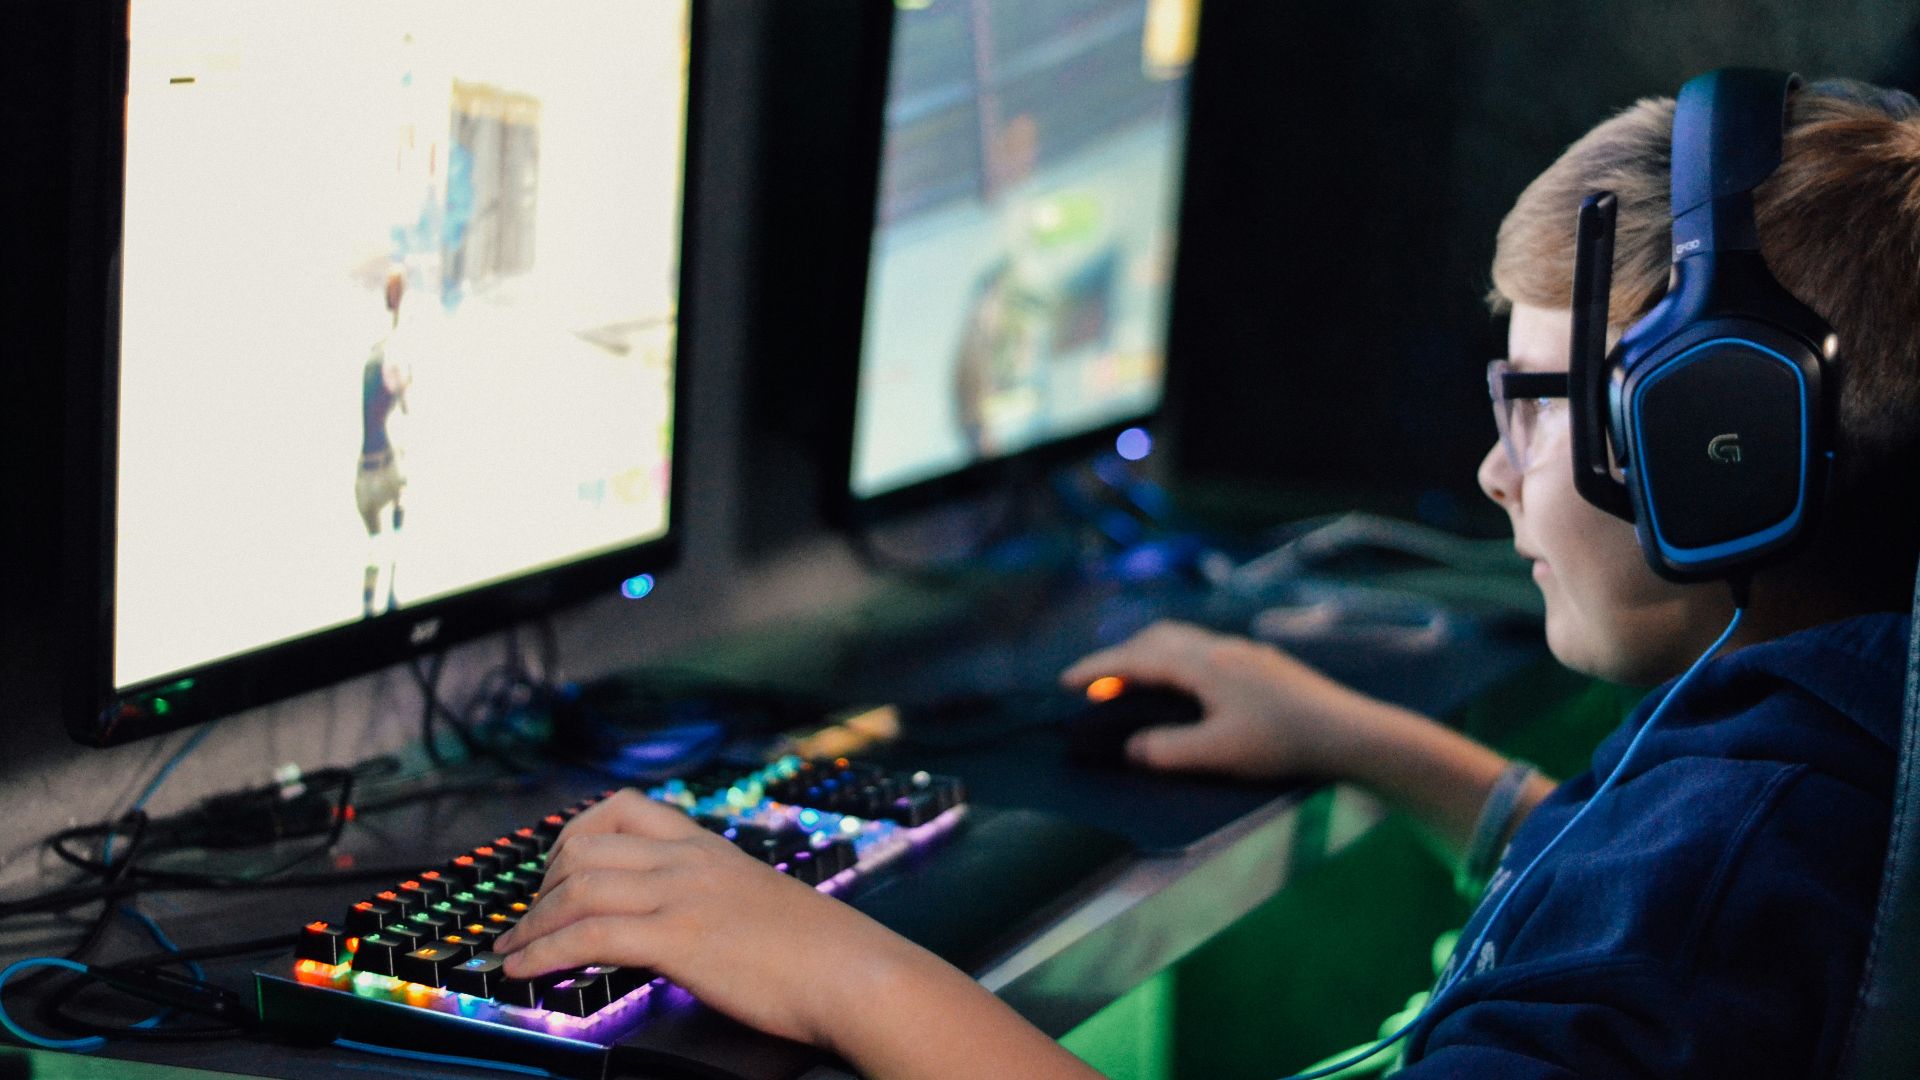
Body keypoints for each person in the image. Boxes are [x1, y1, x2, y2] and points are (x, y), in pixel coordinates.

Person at [491, 76, 1920, 1078]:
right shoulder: (1814, 732)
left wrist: (833, 966)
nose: (1494, 472)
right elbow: (1605, 893)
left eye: (1539, 404)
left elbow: (1661, 921)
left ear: (1726, 444)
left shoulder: (1755, 833)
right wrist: (1349, 735)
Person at [357, 266, 413, 618]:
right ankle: (385, 599)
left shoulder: (375, 352)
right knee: (390, 527)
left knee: (376, 543)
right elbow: (401, 394)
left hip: (366, 472)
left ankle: (373, 604)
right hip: (381, 471)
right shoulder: (388, 355)